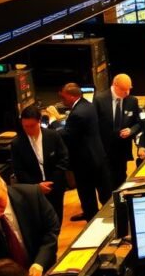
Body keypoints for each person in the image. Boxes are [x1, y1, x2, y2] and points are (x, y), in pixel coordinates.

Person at [45, 83, 110, 221]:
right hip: (96, 155)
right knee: (102, 192)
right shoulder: (86, 104)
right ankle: (96, 214)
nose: (62, 100)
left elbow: (66, 134)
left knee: (86, 193)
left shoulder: (78, 113)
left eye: (63, 97)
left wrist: (53, 119)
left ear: (72, 96)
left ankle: (92, 218)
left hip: (85, 161)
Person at [10, 104, 69, 221]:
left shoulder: (52, 136)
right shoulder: (17, 143)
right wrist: (37, 187)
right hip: (33, 191)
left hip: (55, 186)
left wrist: (51, 182)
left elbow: (64, 158)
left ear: (39, 121)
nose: (28, 130)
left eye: (32, 126)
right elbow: (19, 170)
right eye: (25, 126)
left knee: (57, 219)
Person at [93, 74, 143, 189]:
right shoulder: (99, 100)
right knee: (106, 182)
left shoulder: (132, 101)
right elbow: (94, 126)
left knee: (120, 179)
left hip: (122, 150)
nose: (127, 92)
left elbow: (139, 122)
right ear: (115, 85)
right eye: (124, 89)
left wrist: (131, 130)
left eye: (129, 89)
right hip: (104, 150)